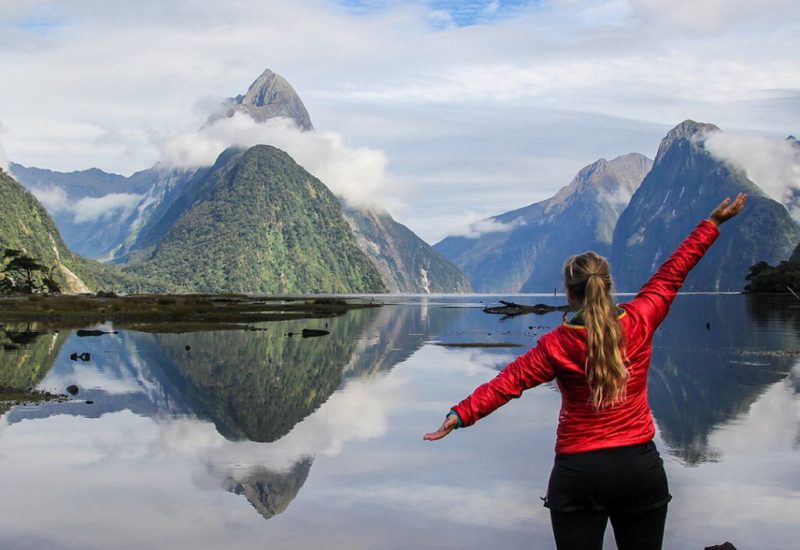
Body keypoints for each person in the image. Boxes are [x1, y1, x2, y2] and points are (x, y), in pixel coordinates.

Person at [423, 193, 747, 550]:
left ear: (569, 292)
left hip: (578, 471)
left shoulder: (556, 345)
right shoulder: (641, 319)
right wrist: (712, 224)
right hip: (638, 467)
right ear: (608, 287)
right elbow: (673, 273)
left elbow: (507, 383)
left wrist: (460, 414)